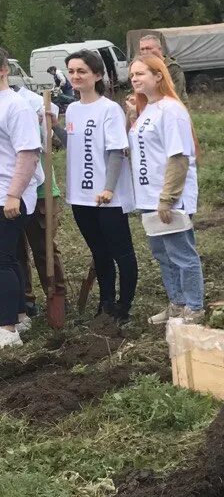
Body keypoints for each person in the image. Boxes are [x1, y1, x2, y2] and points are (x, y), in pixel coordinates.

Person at [126, 55, 206, 324]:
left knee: (181, 253)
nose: (135, 79)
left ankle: (194, 308)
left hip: (169, 197)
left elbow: (179, 157)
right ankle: (177, 303)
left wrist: (167, 198)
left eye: (140, 74)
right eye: (132, 75)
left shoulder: (171, 110)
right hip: (148, 196)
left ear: (158, 75)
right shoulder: (147, 109)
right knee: (163, 255)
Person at [63, 49, 137, 325]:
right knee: (99, 252)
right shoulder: (71, 109)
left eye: (81, 71)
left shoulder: (109, 109)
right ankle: (105, 303)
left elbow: (117, 151)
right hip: (80, 197)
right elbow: (76, 144)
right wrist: (50, 128)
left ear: (96, 75)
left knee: (121, 252)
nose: (75, 76)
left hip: (107, 197)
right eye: (71, 71)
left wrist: (108, 188)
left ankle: (123, 306)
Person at [12, 76, 67, 326]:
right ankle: (25, 299)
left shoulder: (33, 102)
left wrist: (47, 123)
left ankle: (57, 295)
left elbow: (49, 141)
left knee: (43, 247)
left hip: (42, 190)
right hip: (10, 192)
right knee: (15, 251)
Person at [0, 47, 43, 348]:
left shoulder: (16, 106)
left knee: (1, 261)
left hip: (9, 195)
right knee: (9, 257)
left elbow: (28, 154)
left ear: (2, 70)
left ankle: (7, 329)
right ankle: (20, 314)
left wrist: (14, 194)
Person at [136, 33, 188, 101]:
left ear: (160, 49)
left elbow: (174, 94)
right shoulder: (142, 67)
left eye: (148, 48)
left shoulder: (172, 67)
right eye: (142, 49)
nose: (145, 52)